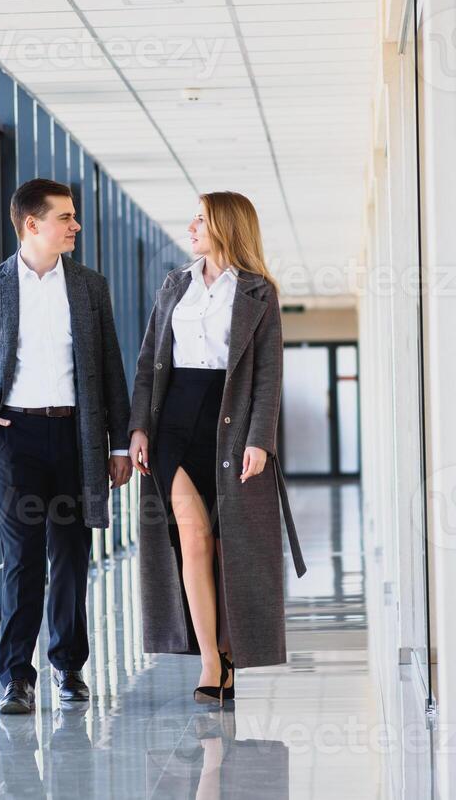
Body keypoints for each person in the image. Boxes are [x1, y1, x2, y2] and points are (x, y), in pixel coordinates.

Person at [0, 178, 133, 715]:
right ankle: (15, 678)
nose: (75, 226)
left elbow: (110, 370)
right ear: (32, 224)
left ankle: (69, 667)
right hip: (14, 438)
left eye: (74, 217)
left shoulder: (90, 287)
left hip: (76, 438)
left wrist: (119, 445)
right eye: (66, 218)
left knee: (72, 557)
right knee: (22, 561)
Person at [128, 191, 306, 705]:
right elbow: (146, 363)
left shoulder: (258, 293)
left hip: (230, 425)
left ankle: (231, 646)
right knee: (194, 539)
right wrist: (138, 428)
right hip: (173, 424)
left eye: (200, 219)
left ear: (226, 226)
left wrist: (260, 441)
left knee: (231, 546)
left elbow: (269, 372)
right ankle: (211, 659)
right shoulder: (173, 285)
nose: (191, 227)